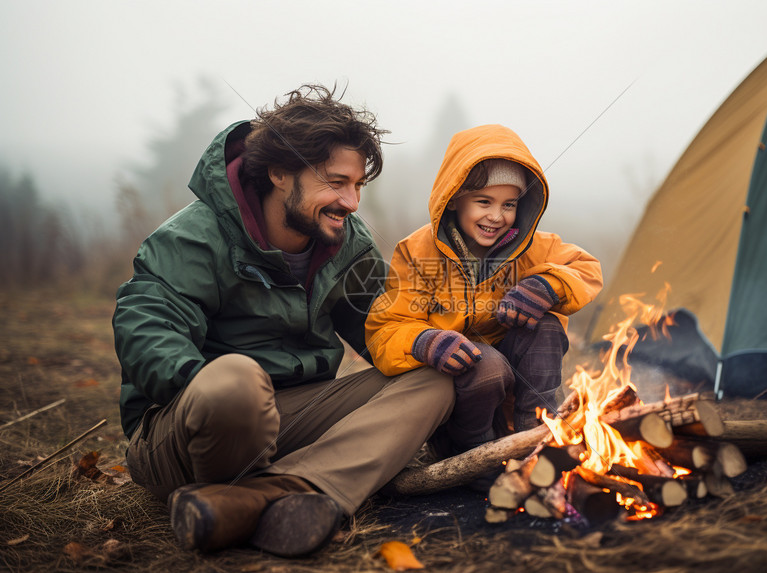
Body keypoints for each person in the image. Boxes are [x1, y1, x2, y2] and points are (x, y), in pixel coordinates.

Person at [113, 85, 455, 557]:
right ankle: (270, 481)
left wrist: (444, 337)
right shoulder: (191, 237)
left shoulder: (346, 243)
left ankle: (274, 494)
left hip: (290, 415)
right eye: (336, 183)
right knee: (236, 380)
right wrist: (211, 388)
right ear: (278, 173)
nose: (352, 202)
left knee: (433, 378)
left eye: (358, 186)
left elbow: (384, 327)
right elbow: (146, 329)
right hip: (187, 428)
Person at [365, 124, 602, 461]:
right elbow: (385, 329)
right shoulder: (417, 252)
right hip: (460, 399)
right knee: (486, 363)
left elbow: (586, 268)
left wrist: (547, 285)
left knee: (546, 326)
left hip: (517, 390)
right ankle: (473, 455)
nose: (496, 216)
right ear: (454, 200)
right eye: (483, 202)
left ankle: (539, 439)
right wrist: (426, 341)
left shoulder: (534, 246)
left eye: (509, 204)